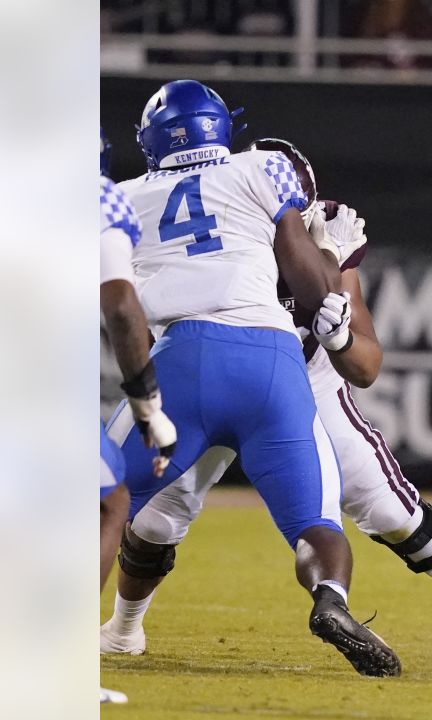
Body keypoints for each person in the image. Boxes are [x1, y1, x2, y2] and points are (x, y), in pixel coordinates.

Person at [100, 137, 432, 671]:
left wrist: (338, 337)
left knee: (394, 512)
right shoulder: (242, 215)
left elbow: (365, 365)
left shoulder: (302, 217)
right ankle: (125, 629)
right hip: (260, 376)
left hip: (305, 384)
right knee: (159, 520)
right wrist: (329, 261)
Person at [107, 79, 400, 677]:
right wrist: (332, 285)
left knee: (101, 499)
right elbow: (303, 272)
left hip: (180, 358)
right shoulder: (263, 168)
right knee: (315, 522)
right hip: (272, 359)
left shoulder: (124, 196)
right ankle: (331, 601)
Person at [99, 128, 178, 705]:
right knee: (107, 501)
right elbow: (123, 305)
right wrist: (148, 404)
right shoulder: (97, 195)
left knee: (106, 495)